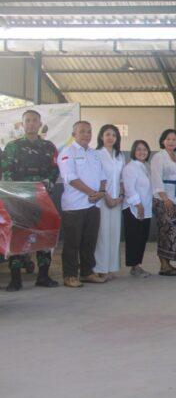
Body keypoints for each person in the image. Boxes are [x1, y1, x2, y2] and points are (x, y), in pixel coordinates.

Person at [2, 110, 60, 291]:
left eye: (35, 120)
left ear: (40, 124)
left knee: (44, 234)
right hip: (18, 200)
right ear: (22, 124)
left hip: (42, 198)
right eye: (27, 120)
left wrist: (47, 184)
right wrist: (17, 193)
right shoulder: (12, 146)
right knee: (18, 236)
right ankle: (15, 279)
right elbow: (6, 172)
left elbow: (55, 170)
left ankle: (43, 276)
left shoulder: (49, 146)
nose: (31, 123)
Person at [58, 121, 107, 288]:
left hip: (94, 205)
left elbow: (103, 176)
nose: (87, 135)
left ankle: (87, 272)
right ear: (74, 134)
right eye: (82, 131)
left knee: (89, 241)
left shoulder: (94, 153)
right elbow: (70, 178)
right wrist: (92, 193)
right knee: (72, 242)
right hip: (75, 206)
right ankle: (70, 275)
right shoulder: (67, 152)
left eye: (89, 131)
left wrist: (101, 192)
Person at [93, 124, 125, 280]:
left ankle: (112, 267)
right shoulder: (96, 154)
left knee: (114, 234)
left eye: (114, 135)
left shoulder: (120, 156)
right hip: (102, 200)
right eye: (107, 134)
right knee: (103, 235)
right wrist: (107, 197)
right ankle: (101, 268)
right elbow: (97, 178)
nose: (111, 137)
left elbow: (121, 178)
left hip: (117, 200)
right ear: (101, 137)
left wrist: (120, 196)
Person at [150, 129, 176, 276]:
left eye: (174, 139)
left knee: (172, 232)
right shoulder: (159, 157)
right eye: (168, 139)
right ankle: (164, 265)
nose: (171, 142)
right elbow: (156, 178)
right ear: (163, 141)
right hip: (163, 199)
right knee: (165, 231)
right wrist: (165, 198)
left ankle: (168, 264)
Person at [122, 140, 153, 278]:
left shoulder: (146, 166)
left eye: (144, 149)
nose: (142, 152)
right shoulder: (130, 167)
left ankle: (138, 265)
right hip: (133, 208)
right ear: (134, 151)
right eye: (139, 149)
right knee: (134, 238)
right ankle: (134, 267)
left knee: (142, 238)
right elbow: (129, 188)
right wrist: (138, 204)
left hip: (146, 208)